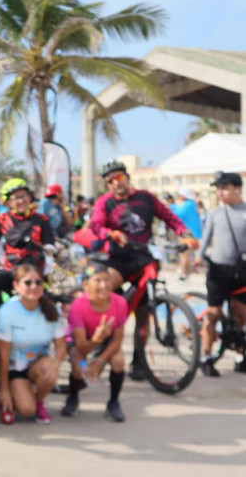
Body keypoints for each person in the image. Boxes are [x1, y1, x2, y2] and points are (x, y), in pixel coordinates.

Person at [89, 159, 197, 379]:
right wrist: (111, 233)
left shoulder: (146, 198)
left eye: (119, 177)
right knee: (104, 289)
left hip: (143, 257)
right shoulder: (104, 202)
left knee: (144, 311)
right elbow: (96, 225)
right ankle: (101, 340)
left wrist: (185, 234)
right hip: (118, 258)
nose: (116, 183)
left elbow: (169, 217)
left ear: (128, 178)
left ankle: (139, 361)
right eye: (110, 181)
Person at [0, 265, 67, 425]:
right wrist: (4, 389)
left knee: (49, 369)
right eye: (28, 283)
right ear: (16, 285)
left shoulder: (52, 310)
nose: (34, 286)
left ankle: (39, 402)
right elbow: (3, 356)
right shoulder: (6, 312)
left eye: (38, 282)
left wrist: (56, 364)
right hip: (15, 369)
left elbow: (61, 346)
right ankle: (4, 392)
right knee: (27, 410)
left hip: (37, 365)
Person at [195, 171, 246, 376]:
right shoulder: (215, 213)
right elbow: (205, 239)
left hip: (241, 270)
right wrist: (198, 257)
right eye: (219, 189)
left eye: (225, 188)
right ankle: (206, 357)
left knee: (241, 313)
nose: (221, 193)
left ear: (237, 189)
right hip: (218, 270)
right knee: (213, 313)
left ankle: (241, 356)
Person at [63, 263, 128, 422]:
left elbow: (118, 339)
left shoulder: (120, 302)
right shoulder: (78, 306)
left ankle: (114, 402)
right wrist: (96, 339)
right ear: (86, 285)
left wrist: (100, 361)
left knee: (118, 360)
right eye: (98, 281)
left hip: (106, 341)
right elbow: (81, 346)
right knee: (79, 366)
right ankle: (73, 397)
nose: (103, 285)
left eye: (107, 280)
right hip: (83, 342)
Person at [0, 178, 55, 312]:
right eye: (16, 198)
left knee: (44, 303)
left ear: (30, 197)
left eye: (24, 196)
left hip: (34, 270)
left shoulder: (41, 219)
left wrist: (47, 269)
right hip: (11, 269)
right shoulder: (2, 219)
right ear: (8, 202)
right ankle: (0, 316)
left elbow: (49, 246)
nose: (21, 201)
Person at [170, 187, 202, 281]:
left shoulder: (188, 204)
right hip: (191, 234)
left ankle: (184, 274)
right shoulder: (191, 204)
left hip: (189, 234)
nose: (179, 196)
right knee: (185, 254)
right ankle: (186, 272)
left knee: (184, 254)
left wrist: (170, 206)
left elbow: (178, 213)